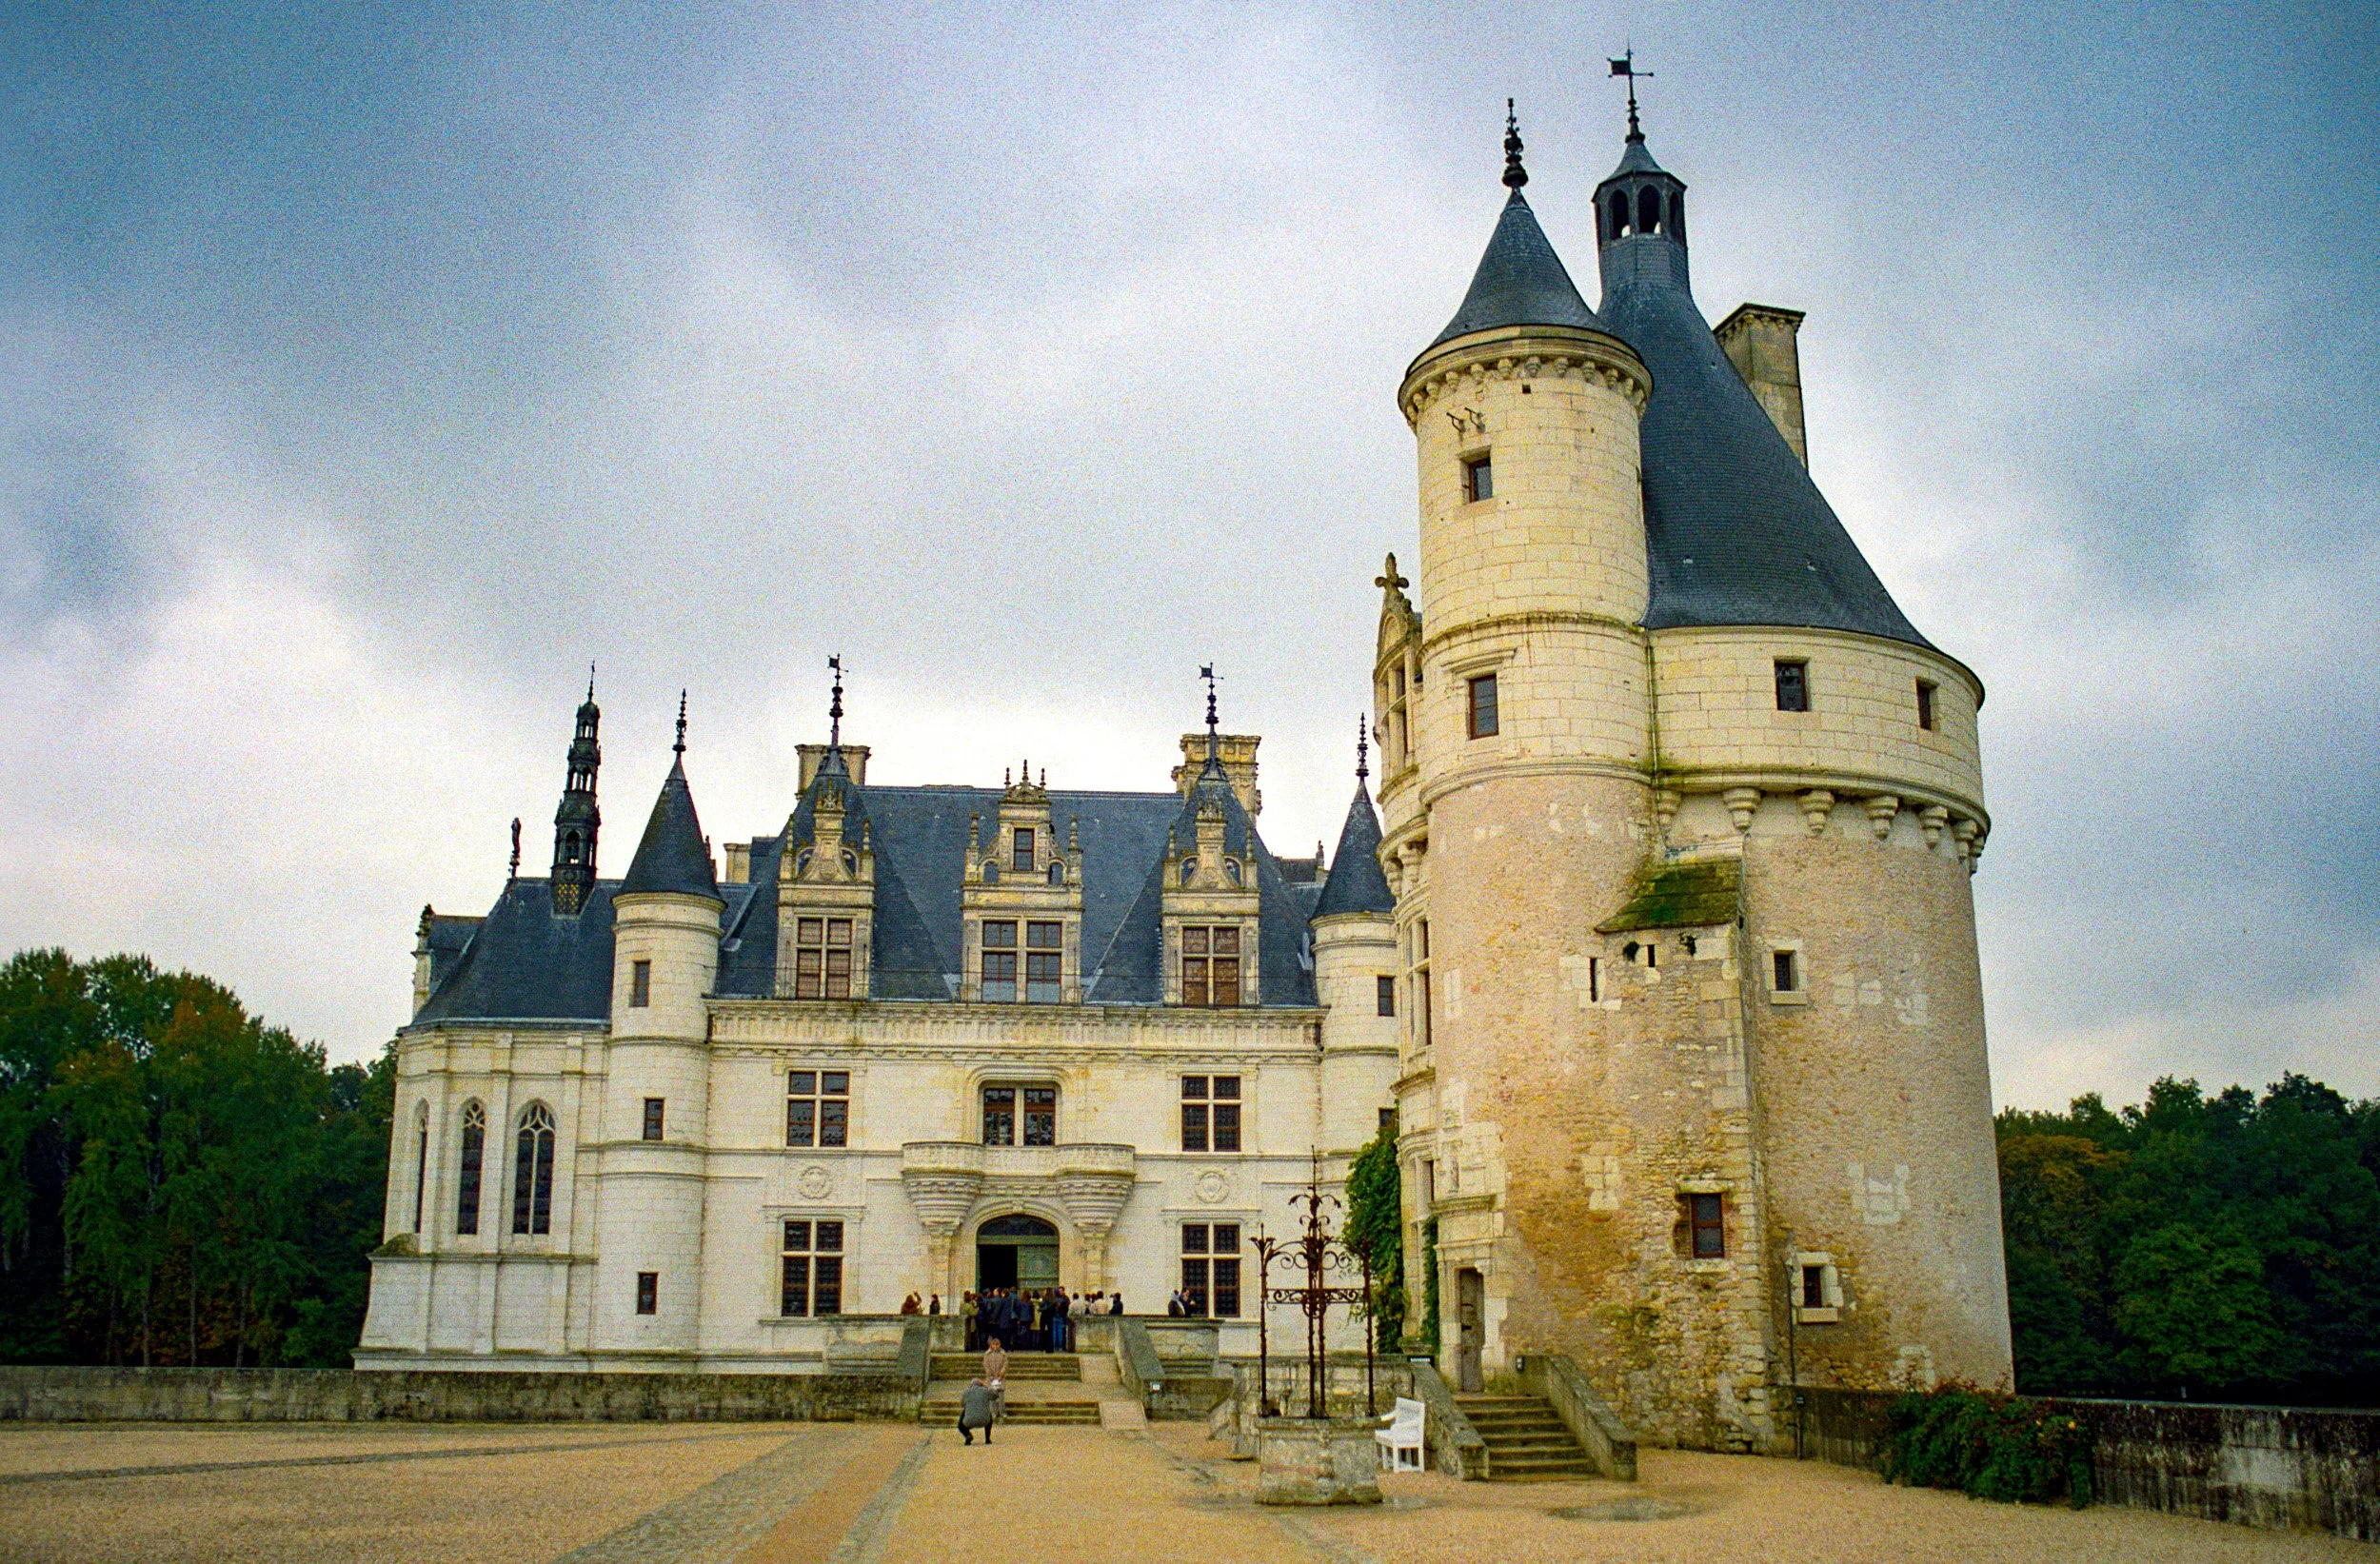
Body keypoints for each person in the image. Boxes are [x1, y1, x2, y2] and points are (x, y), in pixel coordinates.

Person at [958, 1377, 996, 1445]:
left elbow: (962, 1404)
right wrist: (987, 1386)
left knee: (960, 1425)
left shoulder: (966, 1392)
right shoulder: (985, 1391)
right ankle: (987, 1438)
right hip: (985, 1420)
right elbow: (995, 1395)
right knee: (989, 1415)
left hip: (969, 1421)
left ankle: (968, 1435)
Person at [982, 1336, 1008, 1417]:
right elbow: (986, 1365)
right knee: (992, 1396)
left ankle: (1002, 1412)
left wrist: (1001, 1375)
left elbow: (1005, 1365)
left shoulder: (1003, 1354)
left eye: (997, 1345)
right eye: (994, 1344)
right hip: (991, 1378)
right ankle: (993, 1412)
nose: (995, 1346)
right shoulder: (987, 1354)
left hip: (1000, 1377)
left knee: (1001, 1396)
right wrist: (989, 1375)